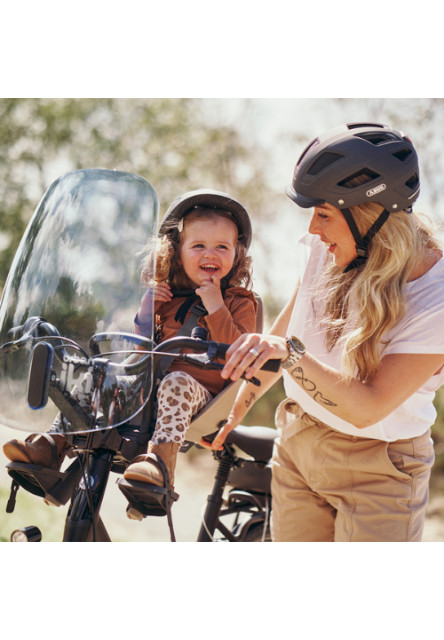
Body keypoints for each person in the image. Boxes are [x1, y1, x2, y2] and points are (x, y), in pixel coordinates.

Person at [209, 123, 444, 542]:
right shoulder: (330, 247)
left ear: (370, 217)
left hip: (381, 471)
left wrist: (291, 354)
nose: (313, 230)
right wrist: (233, 410)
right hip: (298, 444)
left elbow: (367, 407)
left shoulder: (436, 299)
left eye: (324, 214)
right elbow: (283, 333)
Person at [3, 189, 258, 495]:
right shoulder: (168, 297)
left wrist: (216, 306)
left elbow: (240, 351)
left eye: (222, 247)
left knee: (176, 381)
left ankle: (160, 462)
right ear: (177, 252)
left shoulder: (239, 301)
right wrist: (148, 310)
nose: (210, 254)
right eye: (199, 245)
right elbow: (141, 353)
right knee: (99, 369)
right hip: (148, 384)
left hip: (200, 394)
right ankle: (53, 444)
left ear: (236, 254)